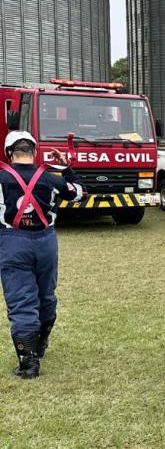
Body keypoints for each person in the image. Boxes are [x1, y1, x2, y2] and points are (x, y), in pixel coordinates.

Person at [0, 132, 84, 379]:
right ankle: (40, 341)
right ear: (34, 152)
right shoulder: (49, 178)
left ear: (9, 153)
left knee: (21, 300)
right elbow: (79, 192)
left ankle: (28, 362)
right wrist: (66, 167)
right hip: (46, 242)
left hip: (12, 241)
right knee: (46, 295)